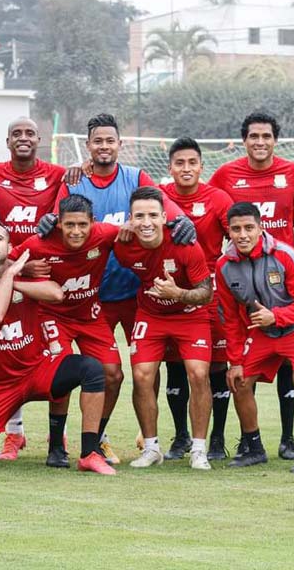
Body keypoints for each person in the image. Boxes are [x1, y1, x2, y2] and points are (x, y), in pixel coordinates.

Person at [44, 113, 196, 463]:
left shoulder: (136, 178)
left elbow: (166, 210)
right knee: (95, 371)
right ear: (88, 145)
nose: (104, 146)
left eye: (110, 140)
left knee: (147, 368)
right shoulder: (73, 182)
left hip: (135, 293)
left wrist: (182, 220)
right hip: (92, 296)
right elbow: (58, 228)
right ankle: (86, 439)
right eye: (97, 141)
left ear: (120, 144)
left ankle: (147, 435)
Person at [0, 220, 115, 475]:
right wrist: (7, 276)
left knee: (92, 369)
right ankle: (6, 437)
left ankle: (89, 453)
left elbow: (56, 293)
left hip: (38, 371)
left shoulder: (24, 276)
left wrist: (12, 278)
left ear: (9, 246)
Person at [209, 112, 294, 460]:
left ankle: (289, 439)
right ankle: (239, 440)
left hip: (282, 282)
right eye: (253, 136)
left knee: (289, 365)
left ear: (275, 140)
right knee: (235, 363)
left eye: (266, 136)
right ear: (244, 140)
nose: (260, 142)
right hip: (241, 284)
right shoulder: (225, 175)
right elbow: (216, 215)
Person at [12, 194, 126, 467]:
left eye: (82, 225)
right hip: (52, 316)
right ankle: (55, 446)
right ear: (59, 224)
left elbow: (139, 229)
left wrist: (176, 223)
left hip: (89, 315)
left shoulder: (106, 234)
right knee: (62, 375)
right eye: (70, 225)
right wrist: (25, 267)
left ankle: (94, 440)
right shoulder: (39, 242)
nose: (76, 231)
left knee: (114, 374)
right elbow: (4, 261)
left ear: (93, 223)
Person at [217, 202, 294, 473]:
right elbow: (230, 320)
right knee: (240, 381)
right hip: (265, 330)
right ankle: (254, 449)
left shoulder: (284, 254)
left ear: (260, 228)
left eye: (248, 228)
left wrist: (275, 317)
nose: (243, 234)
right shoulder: (224, 267)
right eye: (236, 229)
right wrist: (235, 362)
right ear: (228, 232)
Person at [0, 117, 69, 459]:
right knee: (10, 353)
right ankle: (14, 434)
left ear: (39, 140)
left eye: (29, 133)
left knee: (55, 353)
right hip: (9, 275)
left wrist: (81, 166)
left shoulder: (59, 174)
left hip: (47, 275)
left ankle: (57, 437)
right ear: (7, 141)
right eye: (16, 134)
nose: (23, 138)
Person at [113, 187, 214, 469]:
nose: (146, 222)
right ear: (130, 219)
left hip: (190, 314)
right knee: (142, 375)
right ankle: (151, 448)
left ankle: (199, 450)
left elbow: (206, 292)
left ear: (164, 217)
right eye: (139, 216)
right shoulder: (123, 245)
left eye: (153, 215)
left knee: (198, 373)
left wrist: (178, 293)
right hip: (151, 314)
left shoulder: (185, 244)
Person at [160, 137, 233, 461]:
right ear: (170, 167)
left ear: (201, 166)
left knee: (215, 366)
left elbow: (240, 236)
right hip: (170, 293)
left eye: (192, 163)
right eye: (180, 163)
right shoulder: (158, 198)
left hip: (211, 295)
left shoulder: (217, 198)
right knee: (175, 366)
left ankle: (216, 438)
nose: (186, 169)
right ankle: (180, 437)